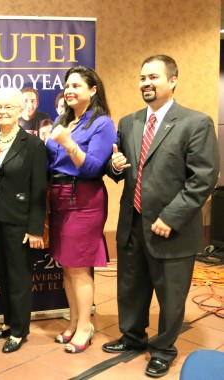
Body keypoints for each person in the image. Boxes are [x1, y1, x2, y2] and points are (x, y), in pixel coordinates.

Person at [103, 55, 219, 378]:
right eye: (142, 78)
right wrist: (114, 168)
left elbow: (204, 178)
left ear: (172, 80)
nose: (146, 83)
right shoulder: (129, 122)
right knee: (130, 287)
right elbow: (119, 165)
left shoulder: (196, 123)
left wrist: (171, 216)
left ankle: (164, 348)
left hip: (172, 228)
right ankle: (132, 337)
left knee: (170, 295)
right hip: (132, 223)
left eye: (153, 77)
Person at [46, 66, 117, 354]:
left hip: (84, 199)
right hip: (58, 197)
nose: (70, 90)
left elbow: (92, 167)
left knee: (78, 268)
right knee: (66, 266)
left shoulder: (102, 123)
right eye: (67, 85)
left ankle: (86, 327)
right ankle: (75, 320)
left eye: (77, 85)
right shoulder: (62, 121)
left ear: (93, 90)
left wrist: (67, 143)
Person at [0, 87, 47, 353]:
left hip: (20, 220)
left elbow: (39, 190)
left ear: (19, 111)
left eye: (8, 107)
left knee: (19, 276)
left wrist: (36, 229)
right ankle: (7, 322)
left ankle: (19, 330)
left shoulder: (33, 144)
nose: (2, 112)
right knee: (2, 273)